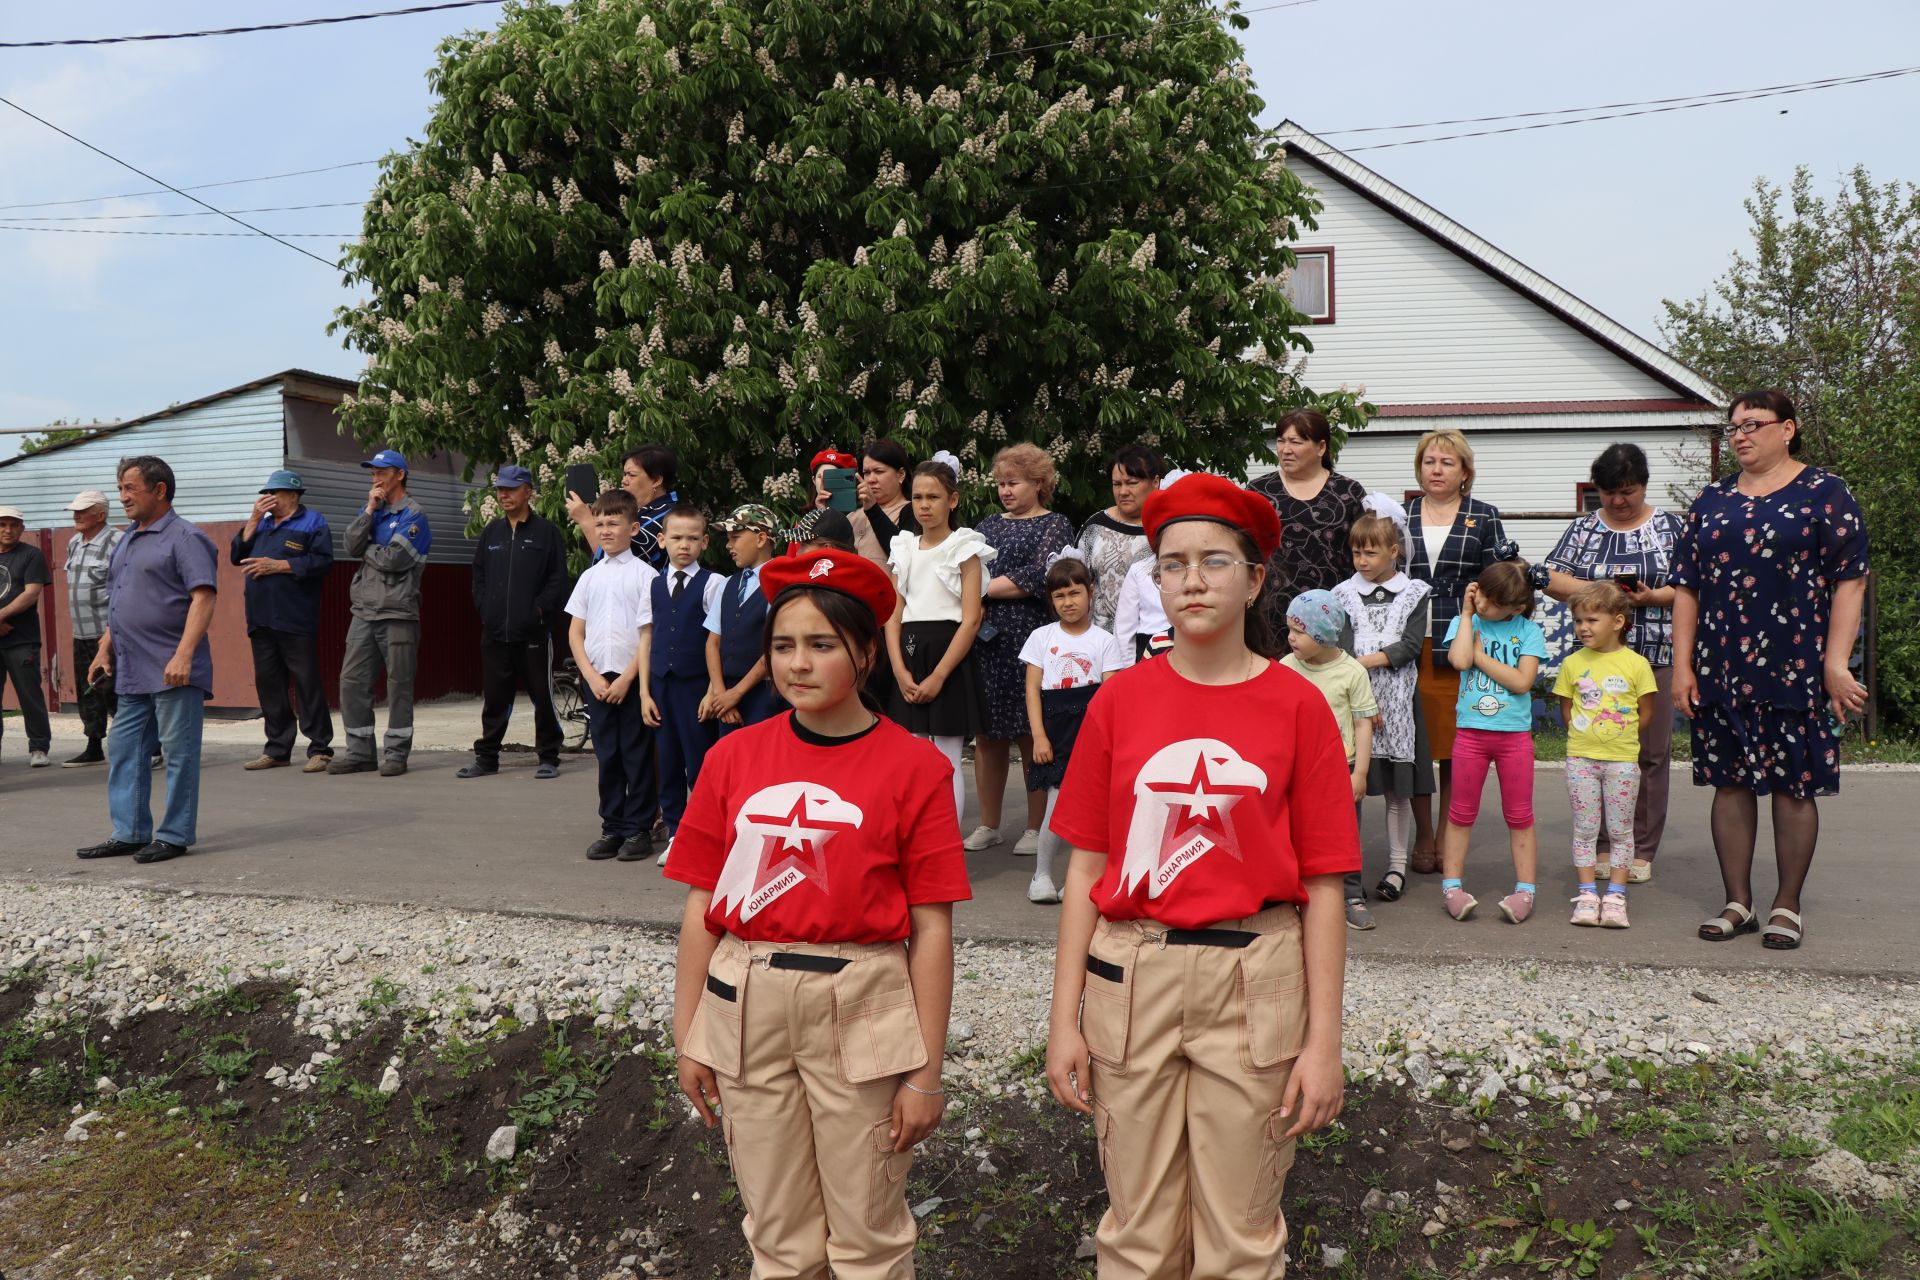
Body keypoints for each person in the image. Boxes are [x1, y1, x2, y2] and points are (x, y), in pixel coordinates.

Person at [1043, 473, 1355, 1280]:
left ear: (1255, 579)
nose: (1191, 579)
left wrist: (1324, 1042)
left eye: (1215, 561)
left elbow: (1324, 883)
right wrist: (1063, 1019)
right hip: (1131, 975)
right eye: (1172, 562)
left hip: (1254, 981)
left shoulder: (1298, 707)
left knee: (1241, 1236)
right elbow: (1087, 866)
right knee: (1136, 1233)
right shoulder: (1120, 701)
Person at [668, 548, 969, 1280]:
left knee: (868, 1234)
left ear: (866, 653)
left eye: (821, 645)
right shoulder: (732, 758)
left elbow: (932, 929)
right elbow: (702, 906)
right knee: (778, 1235)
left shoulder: (918, 767)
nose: (797, 664)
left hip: (864, 1002)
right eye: (782, 646)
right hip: (747, 1000)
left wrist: (925, 1073)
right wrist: (688, 1034)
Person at [1672, 391, 1869, 951]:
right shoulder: (1711, 500)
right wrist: (1682, 666)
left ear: (1788, 429)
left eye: (1751, 425)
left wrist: (1835, 662)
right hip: (1722, 663)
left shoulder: (1825, 493)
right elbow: (1687, 586)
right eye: (1731, 427)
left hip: (1795, 663)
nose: (1738, 435)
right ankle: (1738, 902)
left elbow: (1850, 580)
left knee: (1793, 784)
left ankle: (1787, 904)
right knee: (1729, 784)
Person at [1542, 442, 1686, 883]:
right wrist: (1600, 593)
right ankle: (1599, 845)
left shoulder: (1670, 527)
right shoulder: (1585, 528)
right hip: (1595, 663)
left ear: (1643, 485)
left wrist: (1652, 597)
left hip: (1655, 654)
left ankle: (1640, 849)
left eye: (1627, 491)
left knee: (1650, 754)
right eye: (1609, 493)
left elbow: (1693, 585)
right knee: (1594, 752)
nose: (1619, 501)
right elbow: (1549, 577)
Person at [76, 457, 219, 864]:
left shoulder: (186, 538)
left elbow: (203, 598)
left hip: (173, 669)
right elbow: (120, 600)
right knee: (124, 748)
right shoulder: (129, 538)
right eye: (120, 488)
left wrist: (184, 654)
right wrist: (105, 648)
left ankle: (174, 835)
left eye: (130, 488)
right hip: (132, 670)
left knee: (178, 752)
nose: (123, 497)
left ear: (159, 490)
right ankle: (130, 831)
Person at [1406, 428, 1520, 875]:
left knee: (1457, 746)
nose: (1436, 469)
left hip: (1463, 642)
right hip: (1409, 640)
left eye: (1446, 462)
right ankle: (1422, 837)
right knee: (1413, 743)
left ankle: (1446, 833)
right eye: (1429, 461)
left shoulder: (1483, 515)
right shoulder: (1401, 514)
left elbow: (1503, 579)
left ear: (1465, 472)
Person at [970, 443, 1076, 856]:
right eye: (1000, 484)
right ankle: (988, 824)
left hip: (1031, 639)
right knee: (987, 735)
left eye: (1013, 482)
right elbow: (965, 567)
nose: (1005, 491)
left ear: (1039, 482)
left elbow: (1039, 575)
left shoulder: (1056, 524)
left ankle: (1036, 827)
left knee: (1033, 735)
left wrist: (979, 590)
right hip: (986, 641)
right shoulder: (987, 525)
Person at [1332, 498, 1434, 905]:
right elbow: (1339, 646)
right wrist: (1358, 681)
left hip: (1399, 703)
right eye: (1356, 552)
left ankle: (1396, 866)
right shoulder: (1343, 594)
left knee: (1397, 791)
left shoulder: (1413, 593)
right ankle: (1347, 871)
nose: (1362, 560)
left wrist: (1362, 662)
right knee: (1350, 787)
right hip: (1353, 705)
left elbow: (1409, 646)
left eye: (1370, 552)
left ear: (1394, 552)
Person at [885, 453, 992, 826]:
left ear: (953, 499)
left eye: (932, 497)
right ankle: (915, 845)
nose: (924, 506)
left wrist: (940, 675)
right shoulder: (904, 547)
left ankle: (947, 850)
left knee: (946, 756)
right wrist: (899, 670)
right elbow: (893, 614)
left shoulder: (965, 546)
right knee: (911, 757)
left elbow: (971, 618)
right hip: (910, 653)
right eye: (917, 497)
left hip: (949, 654)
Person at [1438, 561, 1547, 923]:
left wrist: (1481, 656)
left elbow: (1521, 682)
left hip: (1514, 737)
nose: (1484, 604)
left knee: (1519, 815)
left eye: (1493, 601)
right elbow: (1458, 659)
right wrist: (1467, 614)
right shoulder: (1464, 623)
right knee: (1460, 813)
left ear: (1516, 607)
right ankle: (1452, 887)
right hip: (1470, 734)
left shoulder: (1528, 631)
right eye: (1481, 593)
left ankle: (1525, 890)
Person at [1019, 548, 1127, 906]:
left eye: (1074, 592)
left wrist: (1103, 740)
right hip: (1054, 727)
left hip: (1091, 728)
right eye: (1059, 595)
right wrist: (1038, 735)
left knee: (1094, 807)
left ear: (1091, 591)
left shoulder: (1105, 641)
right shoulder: (1041, 637)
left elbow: (1110, 696)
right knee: (1056, 802)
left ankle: (1081, 877)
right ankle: (1042, 875)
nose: (1068, 602)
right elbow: (1033, 689)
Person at [1552, 581, 1658, 929]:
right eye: (1579, 620)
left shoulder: (1637, 664)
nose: (1584, 627)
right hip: (1580, 759)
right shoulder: (1572, 663)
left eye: (1592, 620)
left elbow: (1646, 712)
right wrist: (1585, 737)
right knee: (1584, 828)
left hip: (1622, 762)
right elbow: (1567, 708)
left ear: (1617, 621)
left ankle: (1615, 896)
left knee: (1620, 830)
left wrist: (1619, 739)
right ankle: (1586, 895)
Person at [566, 491, 661, 862]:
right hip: (597, 680)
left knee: (636, 754)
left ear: (633, 528)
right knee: (607, 755)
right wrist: (590, 676)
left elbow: (647, 634)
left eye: (613, 523)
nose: (605, 530)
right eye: (600, 523)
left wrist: (627, 680)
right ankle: (612, 826)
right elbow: (576, 632)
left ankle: (639, 828)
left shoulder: (646, 576)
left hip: (631, 680)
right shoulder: (590, 577)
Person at [459, 465, 570, 781]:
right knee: (495, 698)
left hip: (533, 633)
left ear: (528, 491)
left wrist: (537, 611)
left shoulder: (546, 532)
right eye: (500, 489)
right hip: (494, 632)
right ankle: (487, 758)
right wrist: (485, 608)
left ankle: (548, 756)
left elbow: (557, 580)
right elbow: (478, 575)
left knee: (542, 696)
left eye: (511, 488)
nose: (503, 494)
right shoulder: (491, 532)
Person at [1281, 590, 1380, 930]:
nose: (1291, 637)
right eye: (1290, 629)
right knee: (1295, 830)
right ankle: (1293, 891)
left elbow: (1363, 723)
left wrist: (1361, 773)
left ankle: (1351, 895)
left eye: (1299, 631)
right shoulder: (1286, 668)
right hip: (1298, 768)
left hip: (1342, 767)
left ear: (1323, 634)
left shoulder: (1352, 672)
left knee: (1345, 834)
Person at [333, 449, 431, 778]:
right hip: (363, 611)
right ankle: (360, 752)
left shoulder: (414, 515)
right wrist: (370, 512)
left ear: (400, 474)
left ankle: (396, 754)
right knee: (351, 681)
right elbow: (349, 545)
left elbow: (395, 559)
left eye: (382, 471)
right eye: (372, 472)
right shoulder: (371, 510)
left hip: (398, 613)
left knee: (398, 685)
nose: (375, 477)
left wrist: (368, 547)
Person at [229, 469, 335, 772]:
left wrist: (280, 565)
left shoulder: (313, 522)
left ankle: (320, 748)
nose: (267, 499)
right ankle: (277, 749)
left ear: (292, 494)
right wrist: (251, 520)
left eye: (272, 493)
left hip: (295, 617)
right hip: (260, 618)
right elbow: (236, 555)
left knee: (306, 683)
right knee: (269, 685)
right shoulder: (260, 525)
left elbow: (323, 562)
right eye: (265, 494)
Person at [648, 504, 724, 865]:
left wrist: (713, 688)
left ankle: (707, 833)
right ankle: (676, 832)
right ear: (662, 540)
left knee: (700, 762)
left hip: (695, 687)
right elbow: (647, 636)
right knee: (669, 760)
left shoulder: (714, 583)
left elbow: (719, 640)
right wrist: (645, 692)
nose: (684, 545)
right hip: (661, 685)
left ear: (704, 542)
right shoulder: (653, 584)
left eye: (693, 538)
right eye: (676, 538)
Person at [1249, 408, 1370, 619]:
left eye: (1295, 442)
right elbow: (1245, 551)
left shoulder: (1348, 492)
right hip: (1270, 613)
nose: (1285, 449)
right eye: (1280, 441)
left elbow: (1367, 550)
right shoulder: (1260, 491)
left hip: (1334, 614)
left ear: (1321, 447)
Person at [701, 504, 784, 736]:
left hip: (763, 694)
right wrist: (720, 693)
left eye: (735, 537)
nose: (729, 546)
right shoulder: (727, 584)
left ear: (761, 539)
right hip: (726, 693)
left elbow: (775, 647)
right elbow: (712, 642)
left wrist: (737, 693)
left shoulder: (779, 585)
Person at [60, 491, 123, 767]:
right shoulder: (74, 542)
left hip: (108, 634)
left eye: (83, 510)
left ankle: (147, 748)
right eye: (75, 510)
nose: (77, 515)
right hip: (81, 633)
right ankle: (94, 746)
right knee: (89, 693)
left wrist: (112, 630)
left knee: (117, 692)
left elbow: (123, 588)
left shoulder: (117, 540)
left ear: (100, 514)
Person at [1077, 444, 1164, 632]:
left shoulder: (1168, 529)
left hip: (1151, 641)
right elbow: (1075, 583)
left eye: (1132, 483)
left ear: (1155, 482)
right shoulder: (1095, 527)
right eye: (1117, 484)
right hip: (1099, 643)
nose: (1123, 491)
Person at [565, 444, 678, 569]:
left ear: (656, 480)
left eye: (631, 475)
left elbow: (614, 563)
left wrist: (586, 520)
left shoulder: (668, 517)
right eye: (624, 474)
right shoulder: (640, 510)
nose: (624, 480)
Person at [0, 504, 54, 768]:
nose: (8, 530)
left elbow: (31, 593)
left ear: (22, 528)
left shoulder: (31, 555)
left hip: (22, 639)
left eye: (14, 525)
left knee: (29, 695)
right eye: (2, 525)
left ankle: (39, 747)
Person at [806, 447, 886, 564]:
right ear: (813, 480)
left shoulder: (863, 515)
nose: (824, 483)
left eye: (832, 477)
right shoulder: (805, 524)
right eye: (820, 477)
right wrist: (823, 515)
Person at [859, 437, 920, 546]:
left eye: (879, 471)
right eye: (866, 472)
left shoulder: (915, 511)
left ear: (901, 474)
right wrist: (823, 511)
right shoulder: (852, 516)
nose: (871, 480)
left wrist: (873, 510)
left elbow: (903, 555)